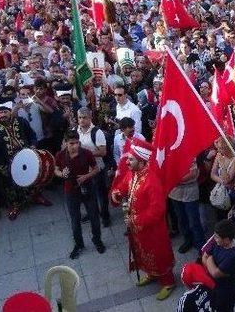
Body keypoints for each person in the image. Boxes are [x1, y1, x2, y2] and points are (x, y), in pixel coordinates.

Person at [110, 137, 175, 300]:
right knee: (143, 252)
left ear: (140, 160)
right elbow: (124, 185)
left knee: (158, 254)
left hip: (153, 229)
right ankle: (152, 274)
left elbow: (158, 209)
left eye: (131, 159)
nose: (127, 162)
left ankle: (168, 282)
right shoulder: (133, 173)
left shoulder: (152, 181)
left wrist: (136, 220)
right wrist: (117, 193)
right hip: (139, 228)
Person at [54, 130, 105, 259]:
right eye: (71, 143)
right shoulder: (60, 155)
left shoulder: (87, 153)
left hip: (87, 188)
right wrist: (61, 174)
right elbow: (56, 169)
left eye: (77, 143)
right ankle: (79, 244)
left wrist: (85, 176)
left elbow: (96, 169)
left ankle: (97, 240)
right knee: (75, 221)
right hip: (70, 191)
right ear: (65, 143)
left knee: (94, 218)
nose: (75, 146)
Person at [0, 96, 42, 220]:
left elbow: (32, 135)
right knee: (10, 186)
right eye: (0, 112)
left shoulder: (21, 121)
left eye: (5, 112)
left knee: (31, 178)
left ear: (11, 111)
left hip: (26, 157)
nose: (2, 115)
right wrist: (1, 166)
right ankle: (15, 206)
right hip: (7, 162)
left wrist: (33, 145)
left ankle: (35, 197)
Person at [75, 107, 111, 227]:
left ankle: (105, 216)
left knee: (101, 194)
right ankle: (93, 213)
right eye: (79, 117)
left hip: (97, 168)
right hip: (83, 169)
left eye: (84, 118)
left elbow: (103, 152)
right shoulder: (75, 131)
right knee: (87, 194)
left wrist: (85, 153)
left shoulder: (97, 132)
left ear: (90, 118)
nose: (81, 120)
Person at [200, 220, 235, 312]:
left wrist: (209, 259)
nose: (214, 239)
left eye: (217, 237)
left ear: (227, 239)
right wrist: (210, 263)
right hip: (213, 285)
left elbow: (215, 273)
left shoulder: (233, 255)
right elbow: (204, 257)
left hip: (225, 290)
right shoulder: (217, 241)